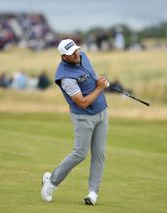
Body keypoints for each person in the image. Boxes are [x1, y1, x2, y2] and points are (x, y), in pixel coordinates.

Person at [41, 39, 109, 205]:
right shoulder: (65, 77)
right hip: (83, 116)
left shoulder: (82, 56)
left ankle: (93, 193)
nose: (77, 54)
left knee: (99, 153)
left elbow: (92, 78)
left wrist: (101, 81)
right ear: (64, 57)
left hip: (102, 112)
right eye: (72, 53)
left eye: (77, 50)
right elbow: (83, 102)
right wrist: (100, 88)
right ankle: (52, 182)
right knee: (80, 153)